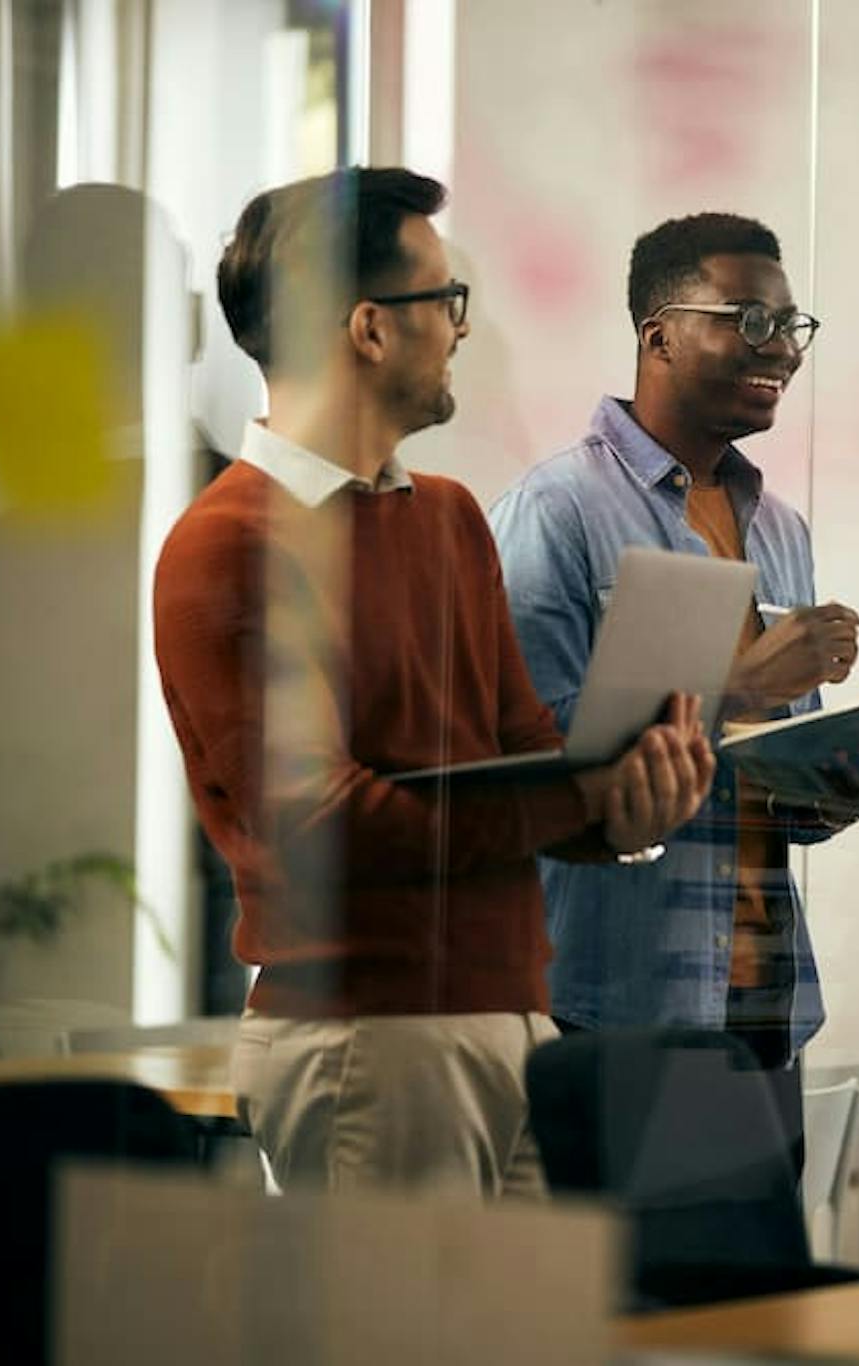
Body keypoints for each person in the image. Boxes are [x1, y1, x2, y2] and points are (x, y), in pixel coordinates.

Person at [152, 167, 712, 1196]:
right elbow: (321, 821)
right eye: (443, 300)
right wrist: (572, 791)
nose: (460, 328)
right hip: (370, 1033)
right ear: (367, 328)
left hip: (511, 1020)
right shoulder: (227, 544)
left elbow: (522, 759)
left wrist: (628, 804)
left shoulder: (449, 516)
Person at [488, 212, 859, 1159]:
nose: (782, 352)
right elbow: (535, 766)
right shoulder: (555, 511)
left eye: (791, 327)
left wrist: (857, 776)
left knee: (750, 1298)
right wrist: (740, 683)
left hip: (762, 1000)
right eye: (750, 322)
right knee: (618, 1300)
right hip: (614, 999)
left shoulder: (780, 527)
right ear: (658, 333)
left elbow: (771, 782)